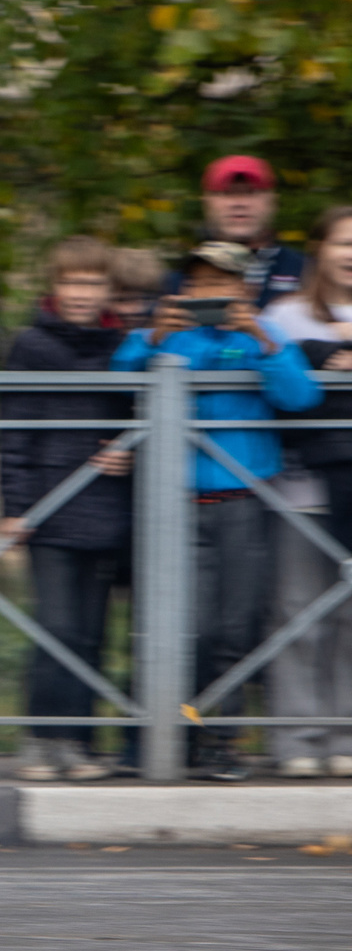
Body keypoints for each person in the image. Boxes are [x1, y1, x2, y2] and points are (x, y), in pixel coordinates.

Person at [112, 240, 321, 780]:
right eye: (201, 283)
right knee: (188, 629)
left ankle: (221, 741)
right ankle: (174, 734)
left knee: (236, 628)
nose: (212, 293)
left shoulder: (262, 336)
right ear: (185, 288)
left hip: (245, 504)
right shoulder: (163, 336)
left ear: (245, 288)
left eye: (224, 283)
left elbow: (301, 397)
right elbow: (117, 381)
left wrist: (258, 336)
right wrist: (156, 336)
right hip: (173, 506)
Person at [0, 239, 133, 783]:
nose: (82, 294)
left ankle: (77, 742)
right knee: (56, 627)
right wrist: (14, 505)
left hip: (107, 506)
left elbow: (140, 415)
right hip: (48, 508)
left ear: (108, 290)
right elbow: (14, 428)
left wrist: (130, 452)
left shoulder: (124, 343)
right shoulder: (29, 344)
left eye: (93, 283)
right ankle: (39, 738)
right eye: (72, 283)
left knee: (92, 633)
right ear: (54, 287)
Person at [259, 205, 352, 778]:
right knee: (297, 613)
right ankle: (295, 737)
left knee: (350, 618)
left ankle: (344, 735)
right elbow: (273, 387)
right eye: (342, 242)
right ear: (318, 248)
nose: (349, 254)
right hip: (298, 490)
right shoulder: (284, 315)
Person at [200, 154, 303, 308]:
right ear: (206, 203)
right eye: (227, 193)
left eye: (251, 192)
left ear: (273, 201)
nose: (239, 203)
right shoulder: (184, 278)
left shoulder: (307, 272)